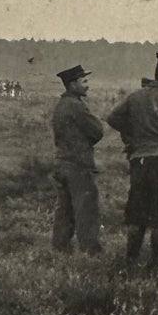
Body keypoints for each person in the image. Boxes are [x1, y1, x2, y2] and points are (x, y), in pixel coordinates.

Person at [106, 52, 158, 272]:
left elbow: (113, 118)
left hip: (139, 161)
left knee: (137, 214)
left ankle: (130, 261)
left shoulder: (135, 97)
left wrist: (134, 135)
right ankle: (157, 265)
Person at [49, 64, 104, 255]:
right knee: (86, 212)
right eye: (84, 81)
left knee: (64, 212)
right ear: (73, 84)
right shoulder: (76, 106)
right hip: (78, 166)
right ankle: (91, 254)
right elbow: (97, 131)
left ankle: (60, 252)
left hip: (62, 163)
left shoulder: (61, 105)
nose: (87, 85)